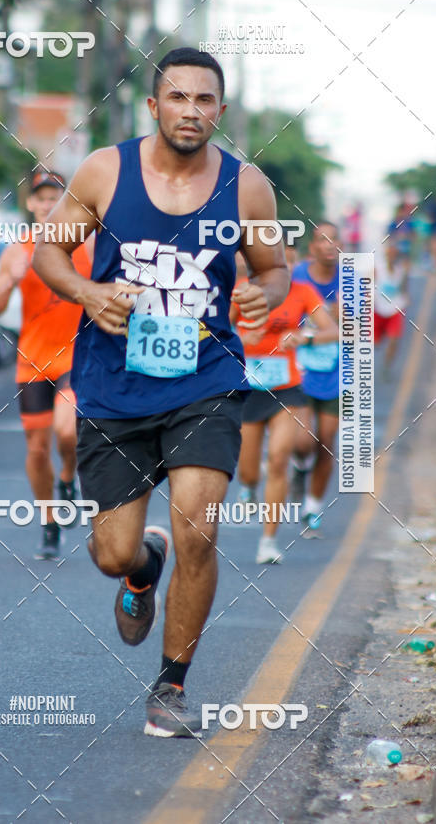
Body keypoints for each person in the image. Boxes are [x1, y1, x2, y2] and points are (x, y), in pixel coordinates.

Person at [32, 47, 289, 737]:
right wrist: (87, 291)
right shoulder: (105, 171)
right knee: (112, 551)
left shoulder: (248, 186)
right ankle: (142, 569)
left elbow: (274, 267)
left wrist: (265, 294)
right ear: (154, 106)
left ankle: (170, 687)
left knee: (200, 527)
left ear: (220, 112)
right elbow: (49, 250)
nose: (191, 111)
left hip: (206, 380)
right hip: (114, 384)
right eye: (178, 98)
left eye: (205, 100)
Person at [0, 170, 92, 560]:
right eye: (41, 198)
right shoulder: (18, 251)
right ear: (30, 204)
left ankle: (68, 480)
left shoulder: (87, 247)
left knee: (67, 432)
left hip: (74, 357)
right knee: (37, 448)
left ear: (66, 203)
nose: (48, 205)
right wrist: (8, 283)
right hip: (32, 362)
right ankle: (49, 523)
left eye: (55, 198)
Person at [232, 239, 338, 563]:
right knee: (249, 470)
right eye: (280, 262)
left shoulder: (304, 293)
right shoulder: (242, 290)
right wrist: (240, 338)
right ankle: (249, 486)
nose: (286, 269)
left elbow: (333, 331)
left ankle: (268, 541)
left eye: (291, 263)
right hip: (249, 387)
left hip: (288, 386)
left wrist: (302, 336)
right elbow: (216, 329)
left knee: (279, 459)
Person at [290, 222, 341, 533]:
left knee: (326, 441)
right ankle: (299, 466)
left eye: (335, 239)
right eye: (323, 239)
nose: (329, 245)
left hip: (337, 370)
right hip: (302, 368)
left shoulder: (351, 279)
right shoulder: (297, 277)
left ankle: (312, 507)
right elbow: (286, 318)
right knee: (304, 441)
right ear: (312, 247)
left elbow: (359, 328)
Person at [374, 237, 409, 379]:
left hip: (395, 309)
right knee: (374, 343)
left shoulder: (401, 270)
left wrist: (406, 299)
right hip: (377, 309)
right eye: (390, 252)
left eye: (395, 253)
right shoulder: (377, 269)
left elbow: (404, 289)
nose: (392, 255)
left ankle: (387, 368)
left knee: (394, 340)